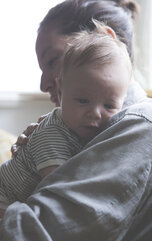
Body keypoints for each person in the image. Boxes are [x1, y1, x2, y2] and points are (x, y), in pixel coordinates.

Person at [1, 0, 152, 241]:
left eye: (53, 61)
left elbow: (36, 233)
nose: (45, 83)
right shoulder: (78, 130)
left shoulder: (142, 123)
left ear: (106, 39)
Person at [0, 20, 132, 213]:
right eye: (82, 100)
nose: (95, 113)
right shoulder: (52, 134)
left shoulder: (132, 123)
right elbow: (59, 193)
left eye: (109, 105)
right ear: (62, 90)